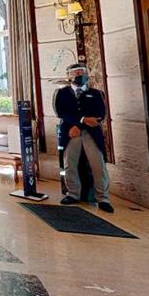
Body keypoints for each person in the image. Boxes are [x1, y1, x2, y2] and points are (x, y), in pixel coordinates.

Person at [54, 63, 114, 213]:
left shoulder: (96, 93)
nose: (79, 75)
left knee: (98, 164)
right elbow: (61, 112)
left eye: (82, 72)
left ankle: (103, 198)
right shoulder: (61, 93)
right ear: (69, 76)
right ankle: (72, 194)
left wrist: (79, 125)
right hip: (70, 133)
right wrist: (81, 120)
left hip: (91, 133)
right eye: (76, 73)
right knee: (70, 164)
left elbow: (99, 115)